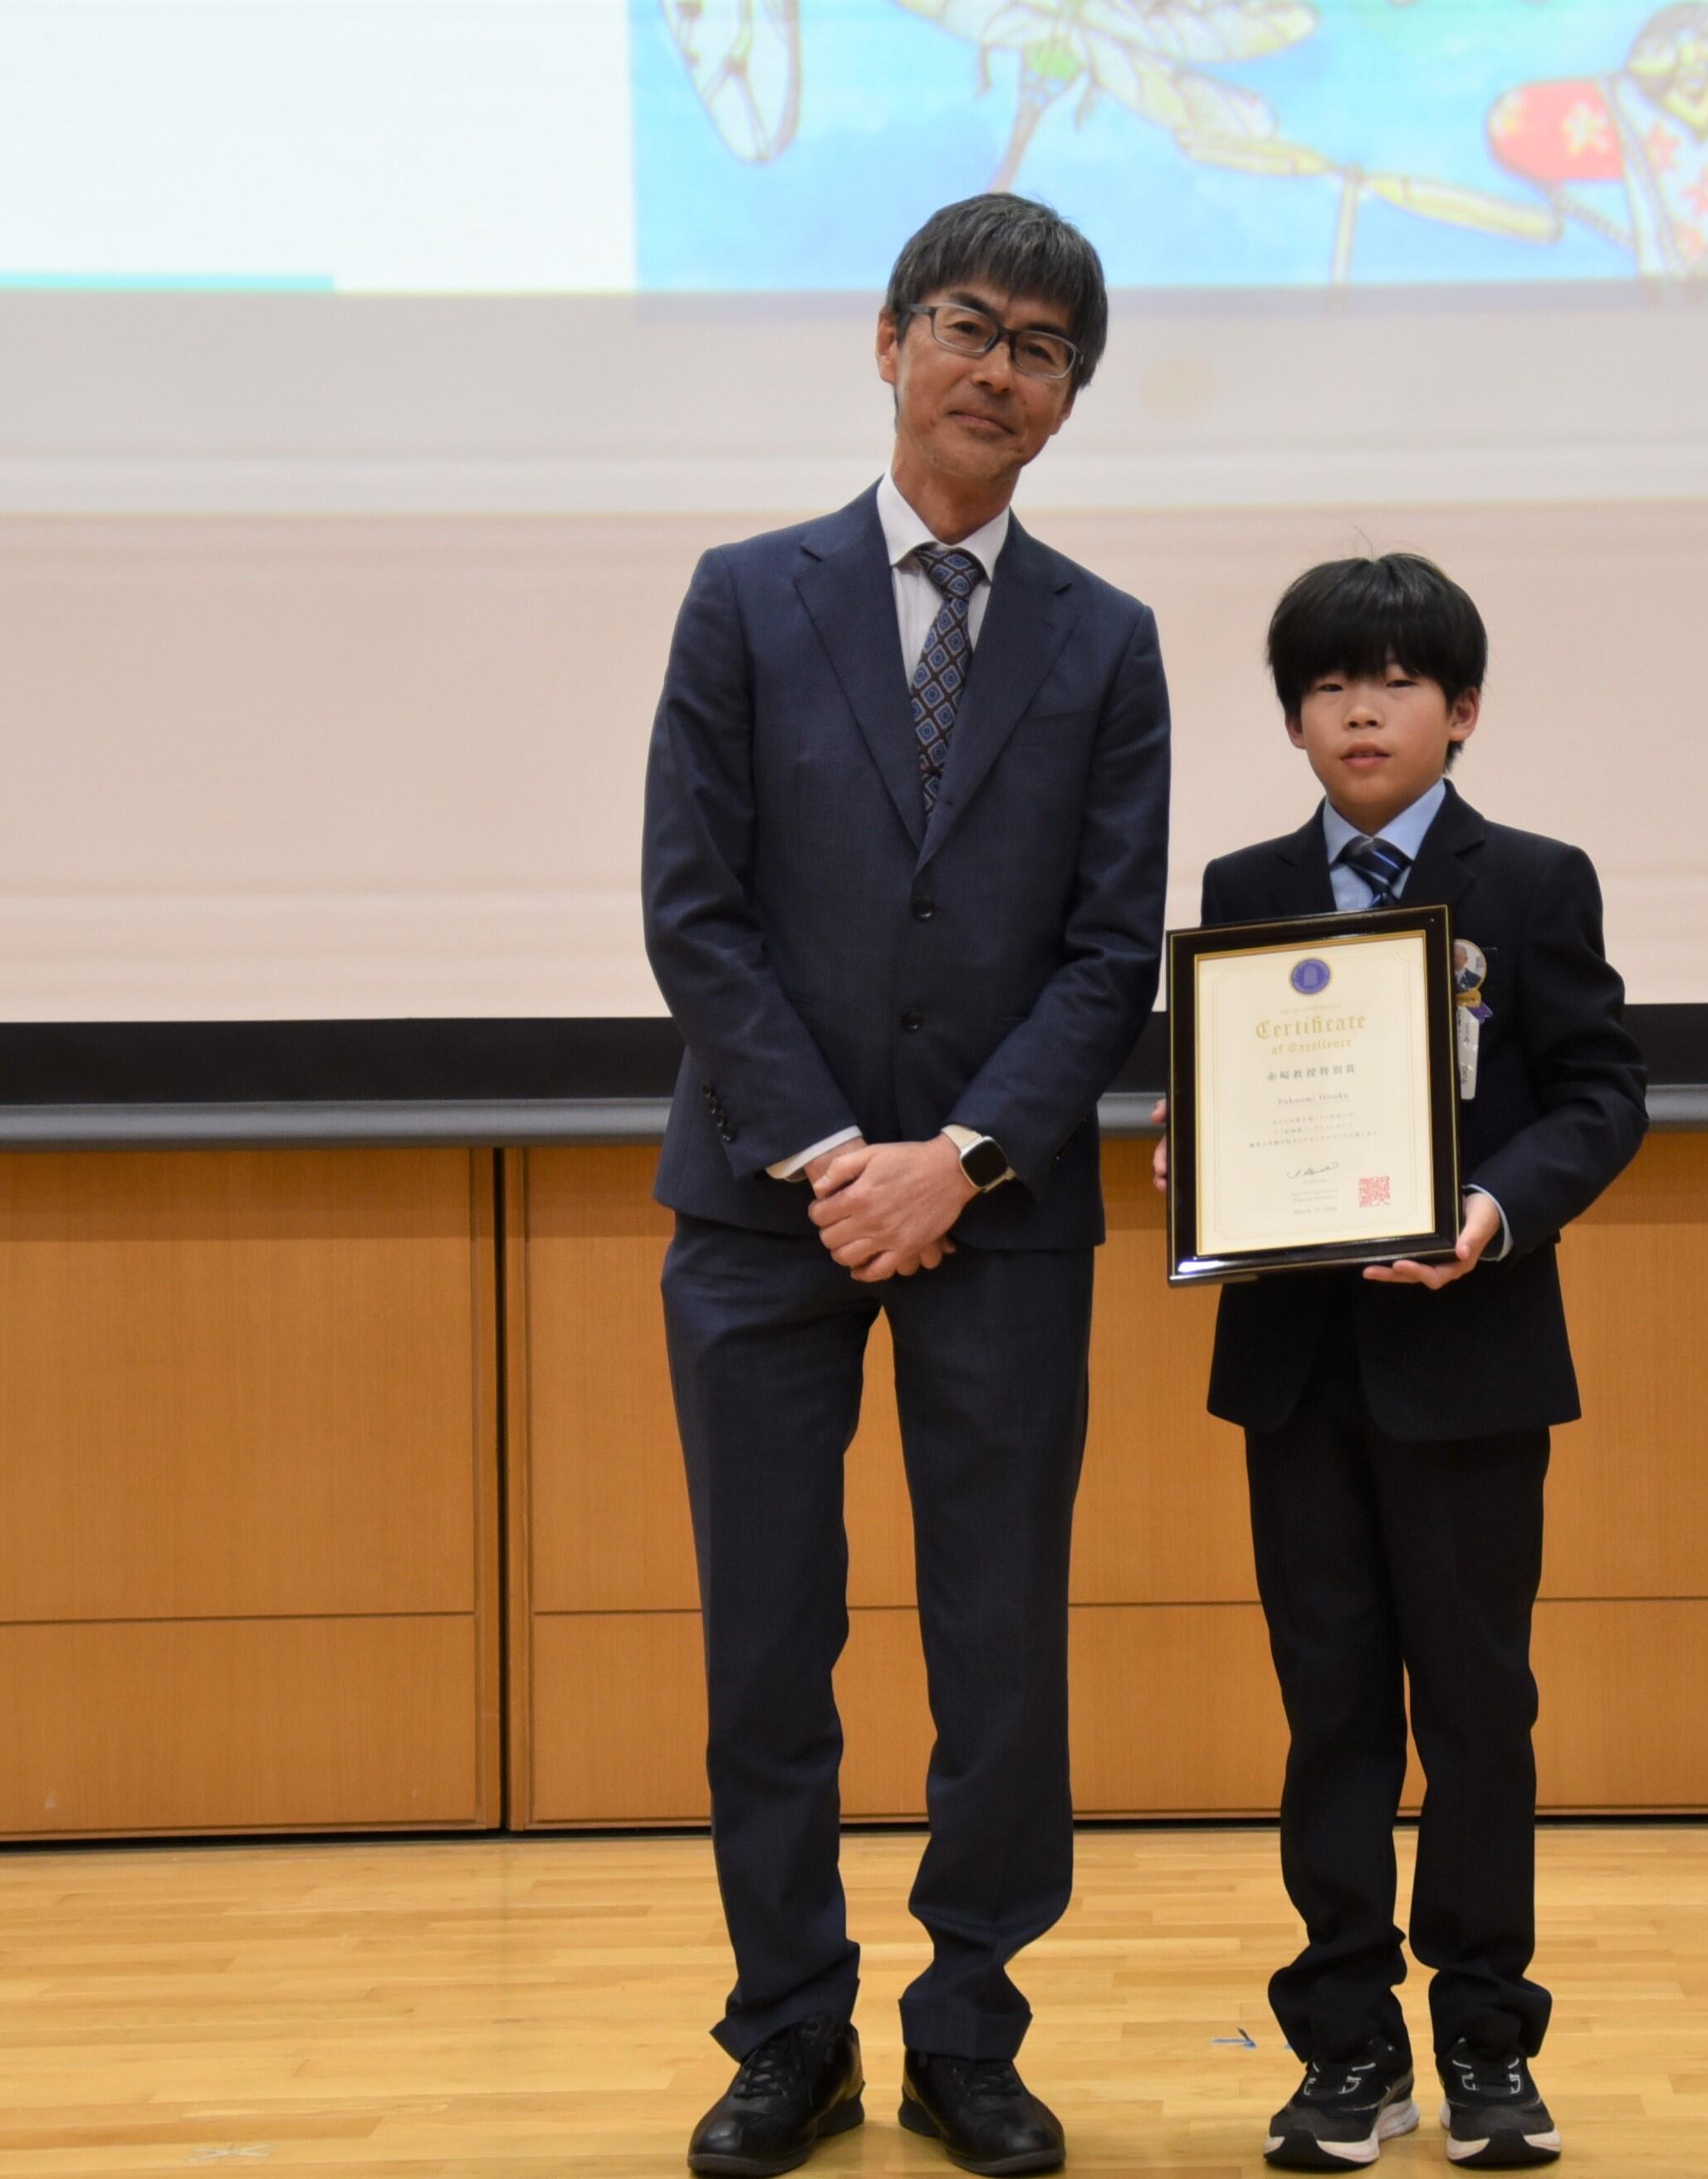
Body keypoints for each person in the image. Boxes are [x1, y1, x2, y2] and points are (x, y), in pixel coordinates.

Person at [641, 193, 1170, 2179]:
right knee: (769, 1638)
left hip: (1002, 1217)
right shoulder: (745, 595)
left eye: (1040, 348)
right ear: (885, 342)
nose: (995, 365)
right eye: (966, 323)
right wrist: (835, 1161)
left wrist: (952, 1160)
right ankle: (789, 2031)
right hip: (761, 1210)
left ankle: (967, 2025)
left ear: (1064, 401)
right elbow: (693, 912)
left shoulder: (1105, 643)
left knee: (997, 1641)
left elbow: (1108, 955)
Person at [1154, 554, 1647, 2170]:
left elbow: (1599, 1093)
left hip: (1474, 1359)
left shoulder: (1536, 880)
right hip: (1299, 1372)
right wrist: (1198, 1144)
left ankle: (1490, 2035)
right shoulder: (1242, 885)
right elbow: (1224, 1086)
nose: (1362, 708)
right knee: (1334, 1713)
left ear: (1464, 709)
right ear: (1295, 717)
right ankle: (1346, 2039)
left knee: (1480, 1710)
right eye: (1328, 683)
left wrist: (1497, 1212)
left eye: (1397, 679)